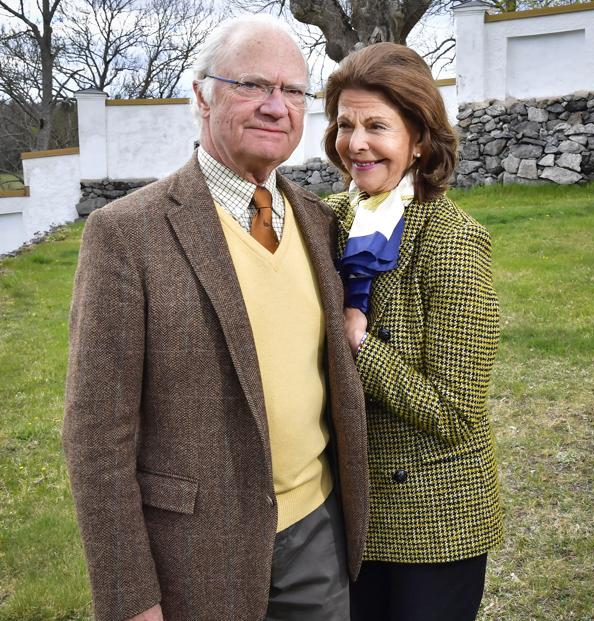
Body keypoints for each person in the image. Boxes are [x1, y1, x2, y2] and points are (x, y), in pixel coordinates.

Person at [63, 15, 368, 621]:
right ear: (201, 96)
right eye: (253, 85)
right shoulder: (126, 234)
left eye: (294, 91)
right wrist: (131, 600)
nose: (277, 107)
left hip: (317, 533)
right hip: (196, 556)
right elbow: (96, 436)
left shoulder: (320, 222)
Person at [322, 42, 503, 621]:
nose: (356, 143)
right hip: (344, 513)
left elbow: (455, 411)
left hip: (433, 521)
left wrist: (358, 345)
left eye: (378, 125)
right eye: (345, 124)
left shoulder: (452, 239)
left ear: (420, 138)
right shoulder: (328, 219)